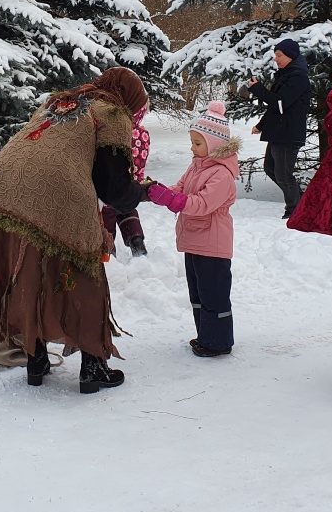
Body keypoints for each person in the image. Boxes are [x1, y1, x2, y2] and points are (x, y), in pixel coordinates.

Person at [0, 67, 150, 394]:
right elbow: (114, 189)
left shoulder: (61, 102)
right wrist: (143, 190)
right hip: (54, 193)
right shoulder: (113, 112)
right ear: (130, 100)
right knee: (85, 271)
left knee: (30, 271)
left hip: (0, 190)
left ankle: (36, 360)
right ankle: (93, 367)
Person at [146, 101, 240, 357]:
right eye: (192, 141)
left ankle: (219, 342)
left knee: (214, 295)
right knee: (198, 292)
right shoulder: (197, 165)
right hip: (195, 241)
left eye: (198, 143)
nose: (192, 147)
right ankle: (205, 336)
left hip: (213, 244)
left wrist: (173, 201)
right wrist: (159, 191)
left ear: (214, 145)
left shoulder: (221, 174)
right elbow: (181, 189)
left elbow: (202, 204)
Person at [247, 39, 310, 218]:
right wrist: (261, 125)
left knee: (283, 175)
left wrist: (258, 89)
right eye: (275, 55)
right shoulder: (285, 75)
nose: (276, 59)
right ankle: (301, 200)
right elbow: (276, 107)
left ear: (290, 56)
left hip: (288, 133)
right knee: (271, 169)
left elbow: (280, 102)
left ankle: (294, 210)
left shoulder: (298, 77)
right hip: (279, 132)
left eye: (279, 55)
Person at [101, 101, 152, 258]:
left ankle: (107, 251)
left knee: (106, 217)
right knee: (127, 210)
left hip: (111, 188)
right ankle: (136, 241)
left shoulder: (115, 133)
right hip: (131, 186)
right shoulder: (143, 134)